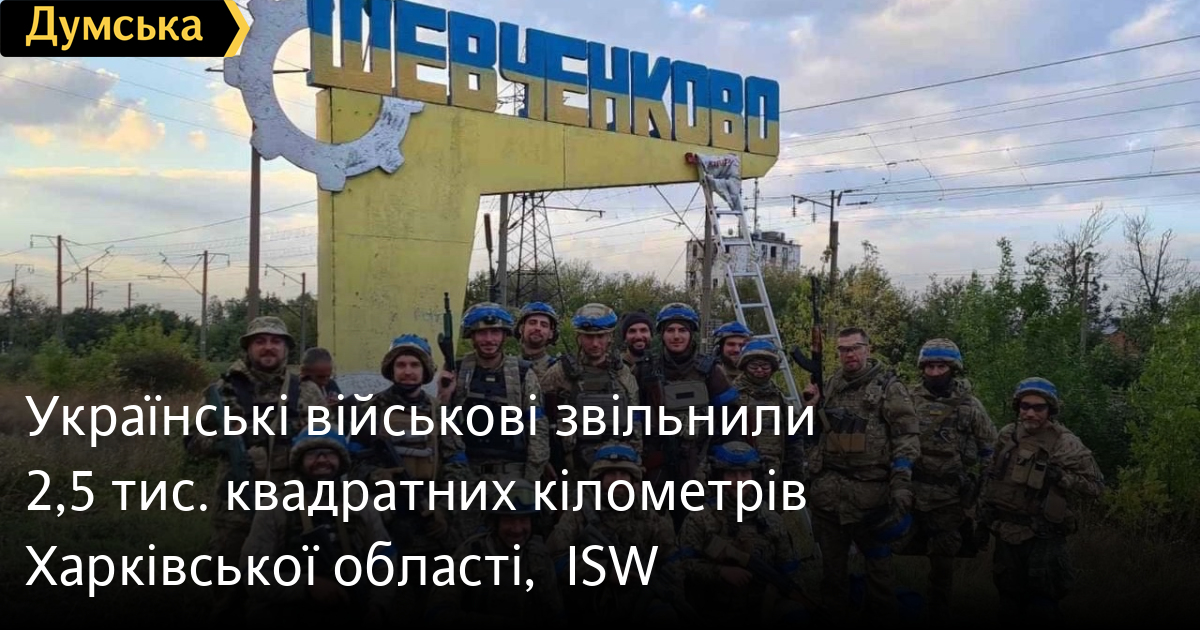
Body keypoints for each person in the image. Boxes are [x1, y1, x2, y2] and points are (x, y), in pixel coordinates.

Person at [185, 316, 326, 623]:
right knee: (230, 590)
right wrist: (224, 441)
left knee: (291, 588)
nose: (268, 347)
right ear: (248, 348)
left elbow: (327, 443)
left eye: (276, 341)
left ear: (286, 348)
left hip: (293, 506)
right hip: (236, 507)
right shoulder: (222, 390)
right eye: (260, 341)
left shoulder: (307, 391)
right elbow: (193, 442)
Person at [802, 326, 921, 622]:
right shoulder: (831, 384)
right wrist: (809, 407)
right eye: (843, 349)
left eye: (855, 348)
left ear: (869, 349)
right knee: (832, 573)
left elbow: (906, 436)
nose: (849, 354)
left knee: (879, 572)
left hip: (871, 498)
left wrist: (901, 481)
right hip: (829, 497)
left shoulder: (889, 388)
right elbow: (811, 432)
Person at [347, 334, 469, 612]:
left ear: (425, 371)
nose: (407, 371)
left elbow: (458, 464)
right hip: (384, 522)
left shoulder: (438, 412)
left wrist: (443, 507)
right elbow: (349, 464)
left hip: (430, 521)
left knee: (436, 599)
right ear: (391, 369)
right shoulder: (369, 410)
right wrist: (373, 475)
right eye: (401, 365)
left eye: (414, 365)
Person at [981, 377, 1104, 625]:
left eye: (1038, 407)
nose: (1030, 413)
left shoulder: (1065, 442)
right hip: (1006, 533)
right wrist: (982, 516)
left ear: (1050, 410)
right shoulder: (1008, 435)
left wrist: (1062, 478)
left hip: (1043, 536)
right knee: (1008, 605)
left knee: (1042, 607)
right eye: (1025, 406)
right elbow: (992, 475)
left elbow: (1096, 487)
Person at [240, 427, 394, 624]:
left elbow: (384, 562)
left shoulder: (360, 504)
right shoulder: (275, 508)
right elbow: (252, 576)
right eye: (312, 454)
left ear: (341, 460)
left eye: (329, 453)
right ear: (299, 461)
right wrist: (306, 586)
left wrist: (378, 608)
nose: (322, 460)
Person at [902, 339, 997, 621]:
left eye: (941, 366)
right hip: (910, 494)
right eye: (929, 367)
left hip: (949, 499)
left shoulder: (969, 406)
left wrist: (983, 498)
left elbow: (989, 452)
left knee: (943, 564)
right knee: (882, 548)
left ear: (952, 368)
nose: (934, 372)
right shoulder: (907, 400)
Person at [438, 302, 548, 541]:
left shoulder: (523, 373)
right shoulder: (458, 370)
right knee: (461, 541)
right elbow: (444, 426)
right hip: (466, 473)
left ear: (505, 335)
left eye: (495, 332)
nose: (489, 339)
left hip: (512, 473)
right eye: (482, 333)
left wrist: (530, 480)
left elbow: (537, 428)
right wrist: (444, 397)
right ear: (472, 336)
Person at [546, 442, 686, 623]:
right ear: (599, 478)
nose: (618, 480)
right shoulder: (580, 514)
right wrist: (604, 571)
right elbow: (554, 559)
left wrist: (673, 589)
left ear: (633, 480)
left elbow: (670, 557)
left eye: (623, 474)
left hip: (639, 595)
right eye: (611, 474)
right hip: (590, 599)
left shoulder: (648, 514)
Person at [677, 441, 809, 624]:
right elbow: (682, 566)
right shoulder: (700, 519)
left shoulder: (771, 520)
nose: (739, 481)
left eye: (745, 474)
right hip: (712, 611)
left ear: (754, 477)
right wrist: (720, 572)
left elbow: (789, 570)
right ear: (719, 477)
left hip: (761, 609)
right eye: (731, 474)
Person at [425, 478, 565, 624]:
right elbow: (437, 612)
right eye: (509, 520)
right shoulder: (470, 554)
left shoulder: (538, 558)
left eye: (523, 520)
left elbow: (556, 614)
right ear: (494, 523)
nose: (517, 529)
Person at [644, 303, 738, 507]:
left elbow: (730, 422)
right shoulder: (647, 370)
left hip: (700, 461)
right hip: (659, 464)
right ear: (662, 334)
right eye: (670, 330)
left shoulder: (710, 370)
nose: (676, 336)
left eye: (682, 330)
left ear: (691, 333)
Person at [540, 303, 642, 481]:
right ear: (578, 337)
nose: (595, 343)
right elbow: (540, 422)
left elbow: (635, 420)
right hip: (573, 464)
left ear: (610, 337)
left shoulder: (622, 373)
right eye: (588, 337)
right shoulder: (559, 373)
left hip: (617, 463)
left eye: (600, 336)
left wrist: (637, 459)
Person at [516, 301, 560, 379]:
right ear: (521, 328)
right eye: (532, 323)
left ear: (551, 334)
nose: (537, 328)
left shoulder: (559, 370)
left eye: (544, 325)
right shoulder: (508, 366)